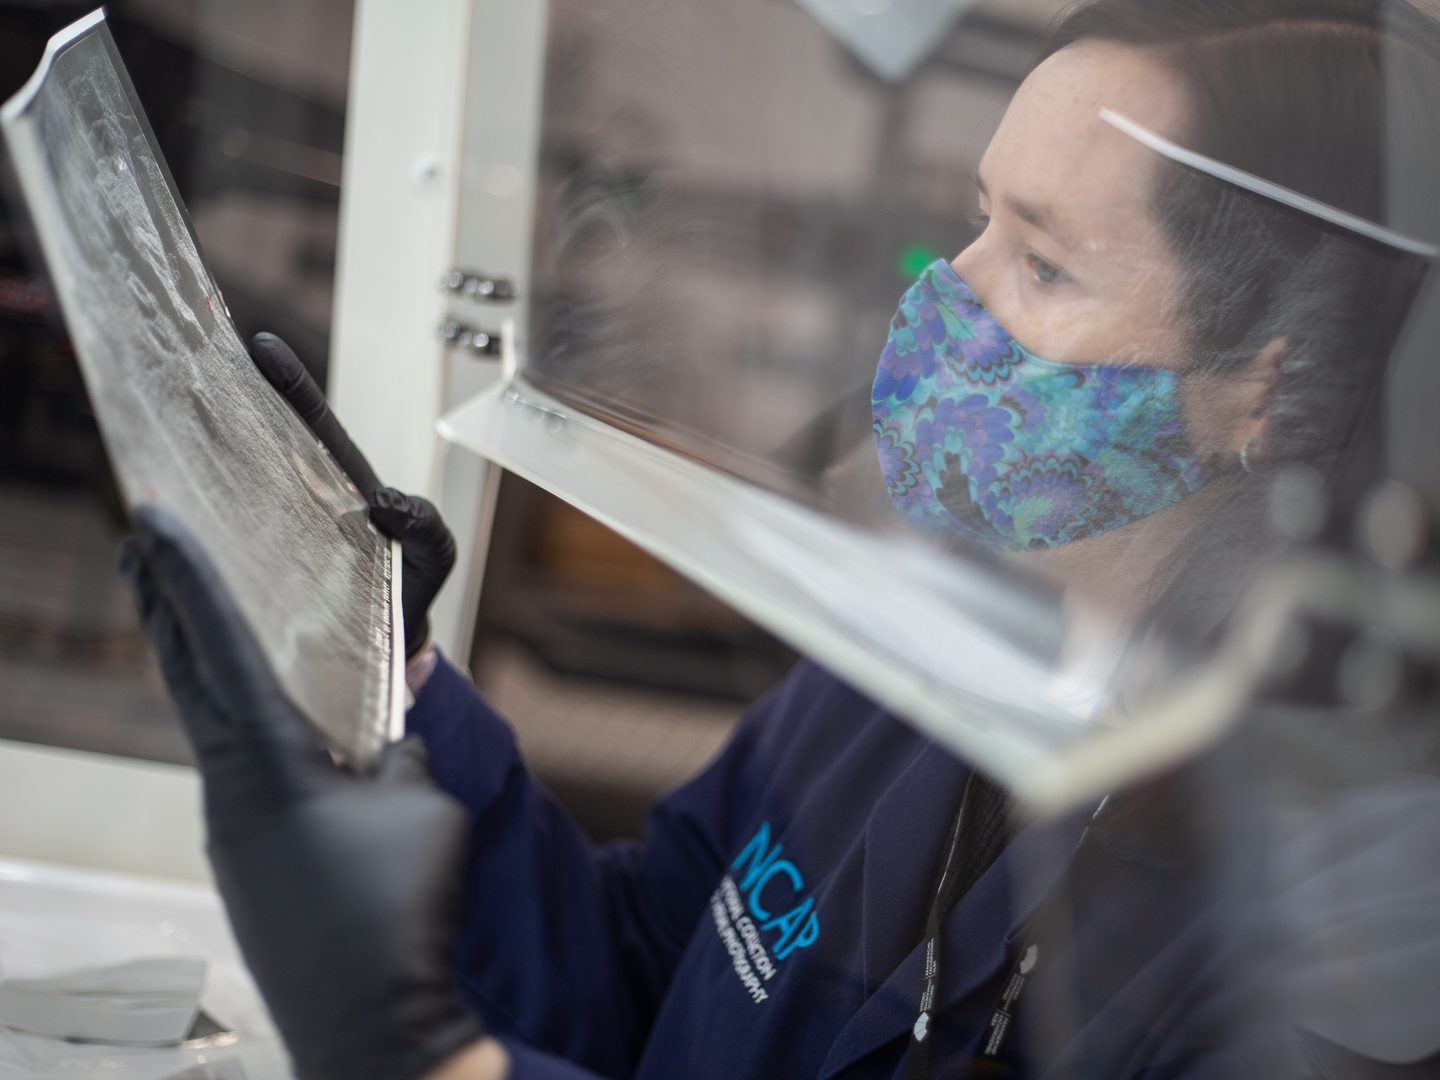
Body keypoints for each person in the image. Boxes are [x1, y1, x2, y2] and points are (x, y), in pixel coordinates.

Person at [120, 1, 1440, 1078]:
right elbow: (648, 973)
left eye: (1044, 265)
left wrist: (434, 1064)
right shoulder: (908, 672)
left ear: (1263, 383)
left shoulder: (1344, 919)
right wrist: (390, 676)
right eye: (979, 214)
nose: (946, 289)